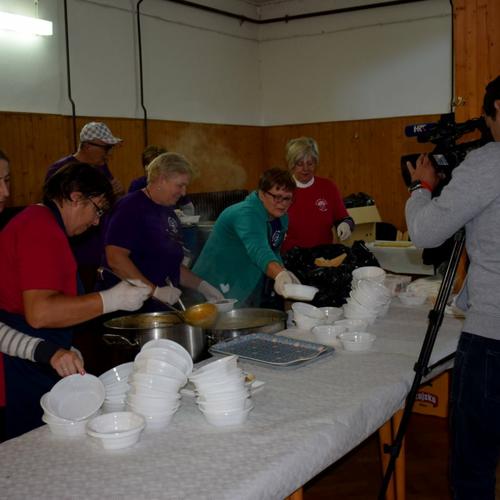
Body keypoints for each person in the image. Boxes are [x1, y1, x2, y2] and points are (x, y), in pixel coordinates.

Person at [0, 163, 151, 438]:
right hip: (19, 368)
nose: (96, 221)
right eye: (98, 209)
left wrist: (65, 342)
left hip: (39, 355)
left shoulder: (44, 225)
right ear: (75, 196)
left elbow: (46, 302)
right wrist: (110, 300)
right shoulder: (39, 228)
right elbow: (40, 313)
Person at [405, 75, 500, 500]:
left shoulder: (488, 163)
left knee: (474, 465)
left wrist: (421, 188)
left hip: (493, 334)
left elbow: (427, 232)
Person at [103, 152, 223, 309]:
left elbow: (172, 266)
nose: (184, 192)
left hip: (159, 308)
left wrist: (203, 287)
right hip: (129, 310)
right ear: (160, 179)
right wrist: (154, 291)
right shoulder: (130, 207)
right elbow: (116, 258)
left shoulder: (169, 213)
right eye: (180, 185)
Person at [192, 168, 300, 306]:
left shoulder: (281, 218)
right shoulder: (246, 213)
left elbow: (273, 250)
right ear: (262, 193)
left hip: (241, 286)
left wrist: (284, 272)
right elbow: (258, 249)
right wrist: (279, 274)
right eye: (277, 197)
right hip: (210, 287)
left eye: (287, 198)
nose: (283, 203)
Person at [46, 122, 124, 291]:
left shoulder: (101, 168)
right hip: (75, 252)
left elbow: (106, 204)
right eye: (106, 148)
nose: (108, 154)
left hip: (97, 248)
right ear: (88, 146)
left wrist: (115, 193)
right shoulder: (62, 169)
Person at [281, 137, 354, 254]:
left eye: (310, 163)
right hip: (291, 258)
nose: (305, 169)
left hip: (323, 257)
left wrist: (346, 225)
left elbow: (345, 218)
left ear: (316, 163)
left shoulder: (328, 187)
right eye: (300, 164)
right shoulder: (282, 189)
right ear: (291, 165)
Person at [128, 145, 195, 215]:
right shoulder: (137, 186)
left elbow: (188, 208)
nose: (183, 192)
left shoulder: (175, 187)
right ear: (146, 167)